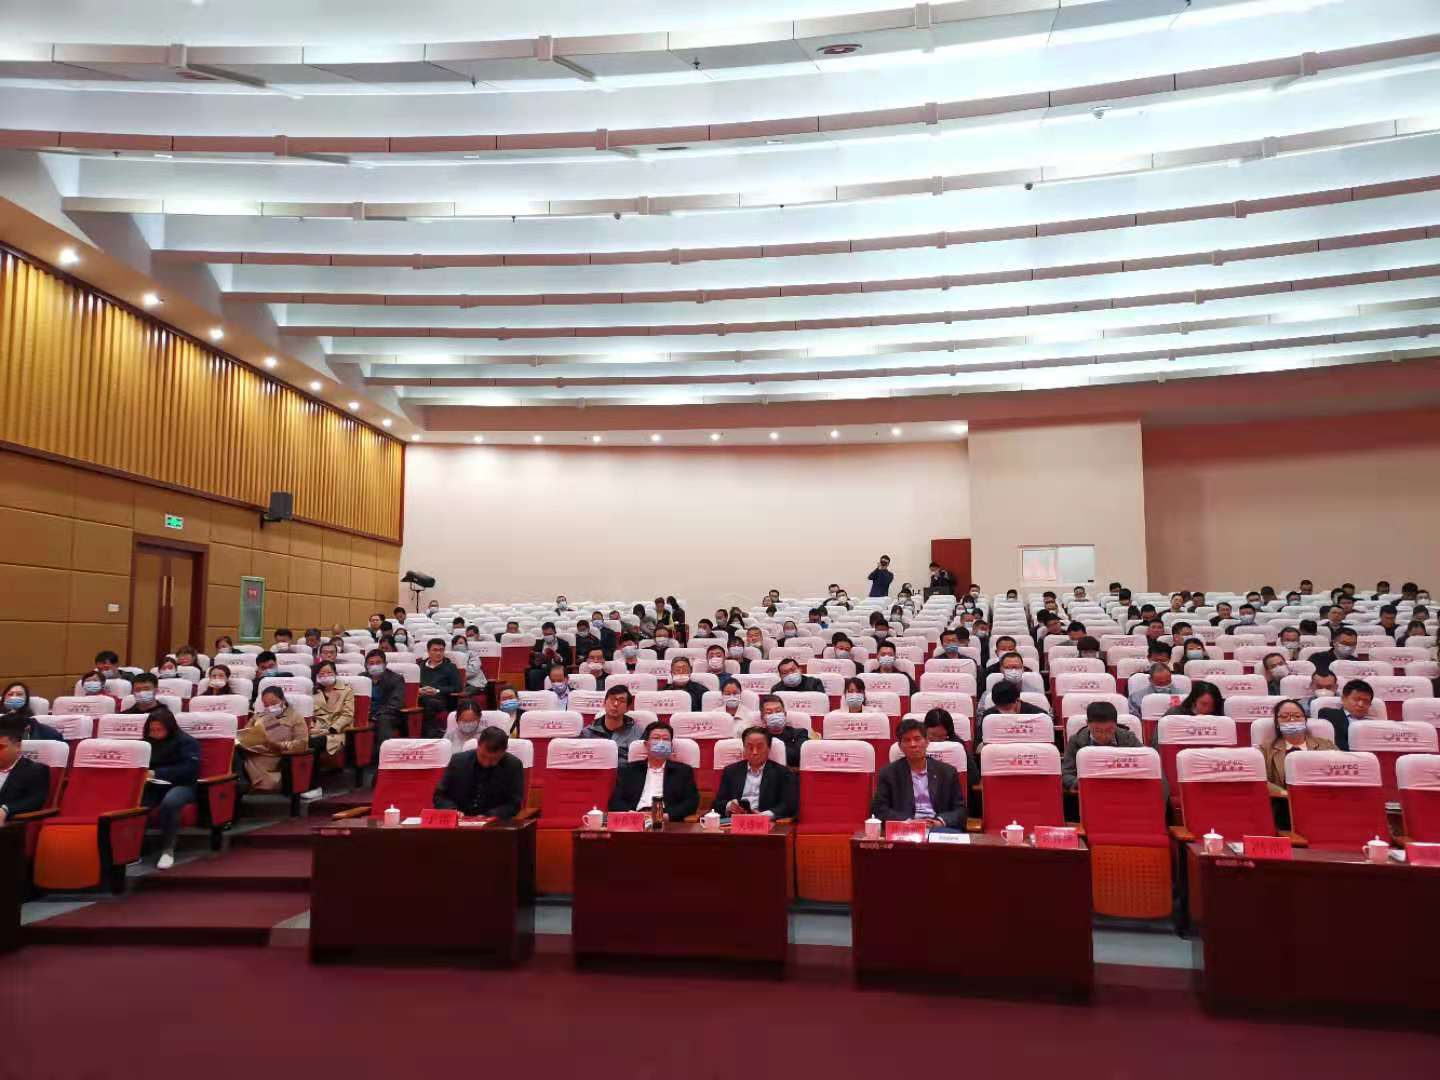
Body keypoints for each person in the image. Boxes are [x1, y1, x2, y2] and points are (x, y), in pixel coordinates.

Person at [871, 718, 966, 828]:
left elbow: (960, 810)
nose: (913, 744)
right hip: (906, 828)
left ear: (927, 742)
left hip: (938, 829)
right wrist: (908, 822)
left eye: (917, 739)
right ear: (900, 746)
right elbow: (879, 809)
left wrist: (940, 822)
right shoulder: (889, 773)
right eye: (907, 740)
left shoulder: (947, 772)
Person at [140, 706, 201, 870]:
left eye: (159, 729)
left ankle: (168, 850)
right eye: (152, 730)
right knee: (135, 803)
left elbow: (190, 769)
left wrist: (157, 773)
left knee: (171, 802)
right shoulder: (145, 743)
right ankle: (133, 848)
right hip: (153, 785)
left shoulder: (187, 742)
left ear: (170, 727)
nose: (155, 733)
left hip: (183, 785)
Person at [608, 720, 699, 821]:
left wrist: (667, 816)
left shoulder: (683, 771)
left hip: (666, 821)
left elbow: (691, 802)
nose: (661, 742)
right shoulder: (629, 771)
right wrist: (631, 814)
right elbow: (615, 802)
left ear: (671, 746)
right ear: (646, 744)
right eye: (656, 738)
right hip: (635, 819)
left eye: (666, 739)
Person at [433, 725, 525, 818]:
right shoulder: (458, 761)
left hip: (494, 823)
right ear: (478, 745)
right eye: (483, 756)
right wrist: (453, 811)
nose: (486, 763)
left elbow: (514, 804)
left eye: (494, 759)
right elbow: (440, 796)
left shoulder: (513, 766)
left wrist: (490, 816)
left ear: (504, 751)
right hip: (459, 820)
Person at [712, 725, 798, 819]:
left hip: (766, 822)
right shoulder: (731, 771)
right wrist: (729, 805)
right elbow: (717, 803)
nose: (754, 752)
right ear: (744, 748)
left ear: (768, 748)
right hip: (735, 821)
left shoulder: (783, 773)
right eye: (750, 747)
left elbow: (788, 805)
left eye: (759, 747)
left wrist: (765, 815)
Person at [1061, 701, 1144, 792]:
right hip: (1090, 790)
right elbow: (1066, 773)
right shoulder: (1076, 741)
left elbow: (1145, 763)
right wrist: (1080, 783)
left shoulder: (1128, 738)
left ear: (1116, 724)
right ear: (1087, 724)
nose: (1103, 735)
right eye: (1097, 731)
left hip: (1124, 789)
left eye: (1109, 730)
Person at [240, 687, 311, 792]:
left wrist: (277, 744)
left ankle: (245, 783)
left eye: (274, 703)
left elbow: (301, 743)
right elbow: (245, 735)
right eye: (266, 705)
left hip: (277, 757)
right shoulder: (258, 717)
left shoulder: (295, 717)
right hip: (254, 754)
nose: (270, 707)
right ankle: (240, 783)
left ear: (283, 700)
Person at [1262, 699, 1338, 788]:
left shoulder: (1327, 745)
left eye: (1297, 716)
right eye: (1285, 716)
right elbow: (1262, 782)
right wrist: (1286, 794)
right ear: (1277, 724)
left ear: (1305, 721)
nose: (1292, 719)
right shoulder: (1265, 750)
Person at [0, 718, 51, 825]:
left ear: (18, 747)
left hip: (13, 824)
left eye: (1, 747)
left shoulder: (35, 770)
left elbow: (35, 801)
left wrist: (6, 809)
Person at [311, 660, 355, 762]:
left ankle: (313, 772)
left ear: (335, 674)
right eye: (322, 674)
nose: (326, 676)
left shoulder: (346, 691)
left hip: (337, 732)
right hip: (317, 730)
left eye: (329, 673)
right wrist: (312, 728)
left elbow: (348, 715)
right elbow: (309, 715)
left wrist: (331, 729)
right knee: (304, 741)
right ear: (317, 676)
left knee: (315, 742)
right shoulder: (313, 692)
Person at [417, 637, 462, 737]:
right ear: (428, 651)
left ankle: (429, 735)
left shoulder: (450, 667)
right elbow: (414, 684)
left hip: (442, 699)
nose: (438, 653)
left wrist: (437, 690)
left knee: (429, 702)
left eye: (441, 650)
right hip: (421, 696)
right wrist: (419, 690)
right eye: (435, 650)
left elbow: (457, 687)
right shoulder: (420, 666)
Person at [1315, 679, 1374, 752]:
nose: (1360, 704)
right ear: (1343, 699)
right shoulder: (1329, 715)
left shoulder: (1374, 724)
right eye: (1356, 699)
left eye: (1366, 701)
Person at [582, 685, 643, 754]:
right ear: (604, 703)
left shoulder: (637, 733)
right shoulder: (588, 733)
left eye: (621, 701)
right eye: (612, 699)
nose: (615, 704)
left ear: (628, 708)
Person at [365, 650, 407, 744]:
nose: (375, 666)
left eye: (378, 662)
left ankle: (384, 750)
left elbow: (396, 703)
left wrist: (375, 716)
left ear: (385, 664)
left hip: (387, 714)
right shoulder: (362, 678)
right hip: (366, 714)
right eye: (371, 663)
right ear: (366, 665)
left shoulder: (396, 679)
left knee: (383, 719)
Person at [758, 694, 808, 766]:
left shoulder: (799, 733)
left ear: (785, 714)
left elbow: (800, 757)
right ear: (762, 717)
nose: (775, 715)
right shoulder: (758, 736)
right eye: (769, 712)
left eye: (778, 711)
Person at [979, 678, 1046, 719]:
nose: (1003, 711)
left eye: (1007, 708)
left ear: (1018, 700)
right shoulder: (988, 716)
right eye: (1000, 707)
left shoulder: (1038, 715)